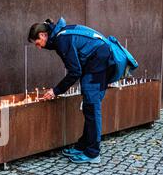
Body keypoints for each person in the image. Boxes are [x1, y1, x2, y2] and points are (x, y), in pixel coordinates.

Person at [28, 18, 116, 164]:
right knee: (89, 107)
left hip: (98, 62)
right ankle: (83, 146)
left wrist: (56, 91)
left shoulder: (62, 40)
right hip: (97, 61)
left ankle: (93, 153)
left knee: (92, 107)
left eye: (37, 43)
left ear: (43, 35)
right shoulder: (61, 36)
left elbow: (75, 71)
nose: (38, 47)